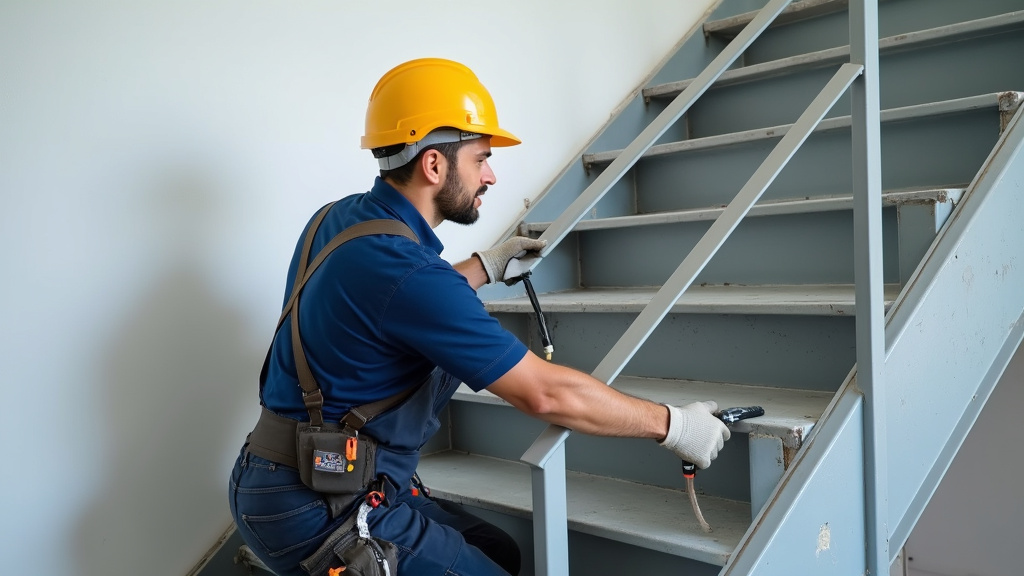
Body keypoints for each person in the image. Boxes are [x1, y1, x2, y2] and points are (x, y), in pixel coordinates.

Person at [228, 57, 731, 576]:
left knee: (498, 552)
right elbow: (547, 394)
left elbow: (388, 304)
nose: (490, 175)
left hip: (288, 475)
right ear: (433, 165)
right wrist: (672, 425)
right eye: (481, 159)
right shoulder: (408, 273)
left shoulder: (339, 219)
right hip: (319, 508)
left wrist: (484, 267)